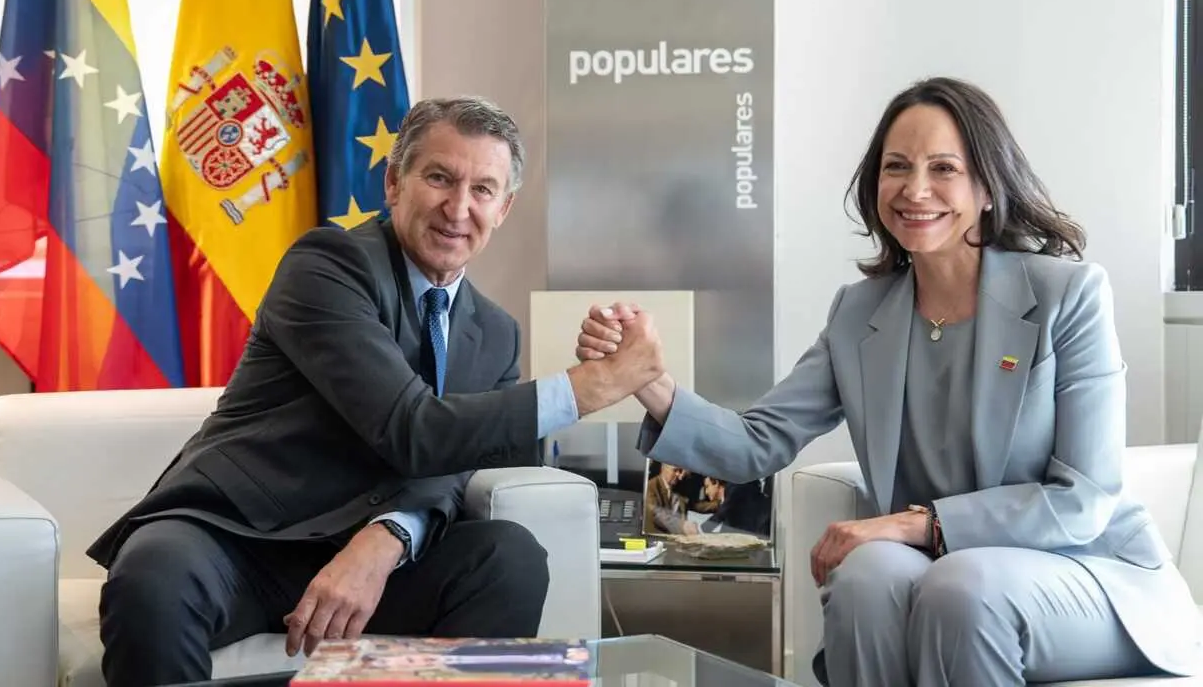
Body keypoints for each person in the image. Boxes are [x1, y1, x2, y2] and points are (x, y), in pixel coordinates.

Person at [576, 77, 1203, 686]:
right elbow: (755, 443)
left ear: (988, 187)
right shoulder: (859, 314)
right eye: (897, 167)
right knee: (867, 574)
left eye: (944, 169)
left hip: (1085, 571)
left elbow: (1084, 499)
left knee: (961, 586)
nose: (915, 189)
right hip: (948, 572)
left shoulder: (1068, 295)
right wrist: (649, 380)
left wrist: (914, 524)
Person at [86, 96, 664, 687]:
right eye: (439, 177)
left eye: (483, 189)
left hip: (371, 555)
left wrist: (387, 539)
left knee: (508, 558)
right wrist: (591, 387)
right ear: (394, 183)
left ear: (505, 206)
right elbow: (414, 429)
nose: (458, 208)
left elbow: (460, 466)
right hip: (240, 538)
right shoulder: (327, 266)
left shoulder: (494, 334)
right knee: (152, 576)